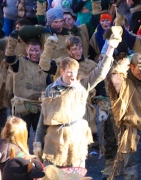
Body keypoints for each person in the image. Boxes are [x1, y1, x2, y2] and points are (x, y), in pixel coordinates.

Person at [33, 28, 121, 168]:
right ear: (61, 72)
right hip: (54, 138)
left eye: (74, 72)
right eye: (69, 73)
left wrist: (110, 48)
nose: (73, 76)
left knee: (76, 179)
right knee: (53, 179)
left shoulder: (82, 86)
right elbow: (43, 118)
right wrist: (37, 141)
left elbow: (101, 72)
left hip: (75, 136)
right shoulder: (51, 89)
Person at [4, 38, 47, 136]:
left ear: (41, 51)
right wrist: (11, 42)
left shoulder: (45, 65)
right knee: (20, 135)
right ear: (26, 50)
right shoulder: (20, 62)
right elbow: (9, 58)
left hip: (39, 106)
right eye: (31, 50)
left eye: (36, 50)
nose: (34, 53)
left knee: (41, 137)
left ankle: (40, 151)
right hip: (22, 105)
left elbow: (49, 84)